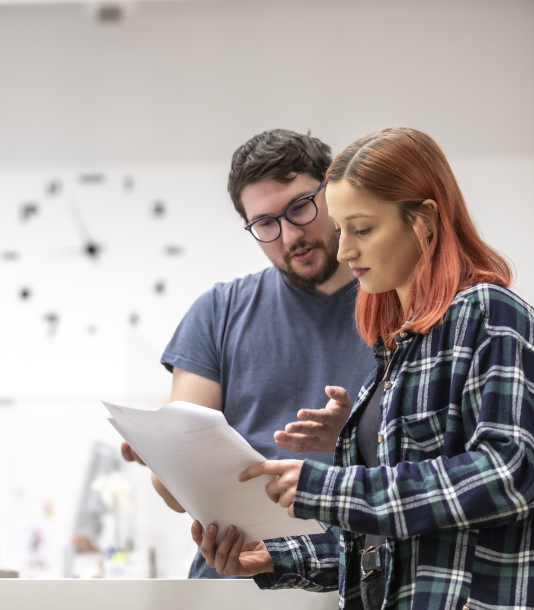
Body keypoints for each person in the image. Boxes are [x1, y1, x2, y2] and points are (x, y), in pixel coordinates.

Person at [191, 127, 534, 610]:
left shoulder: (488, 314)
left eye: (362, 229)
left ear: (424, 221)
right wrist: (278, 558)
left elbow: (512, 474)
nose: (345, 251)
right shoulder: (397, 349)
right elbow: (384, 545)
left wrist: (328, 486)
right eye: (342, 230)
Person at [120, 129, 376, 579]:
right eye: (265, 223)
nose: (290, 234)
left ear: (333, 191)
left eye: (300, 206)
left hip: (356, 577)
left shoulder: (399, 308)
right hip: (238, 577)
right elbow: (175, 495)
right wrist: (164, 454)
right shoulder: (217, 312)